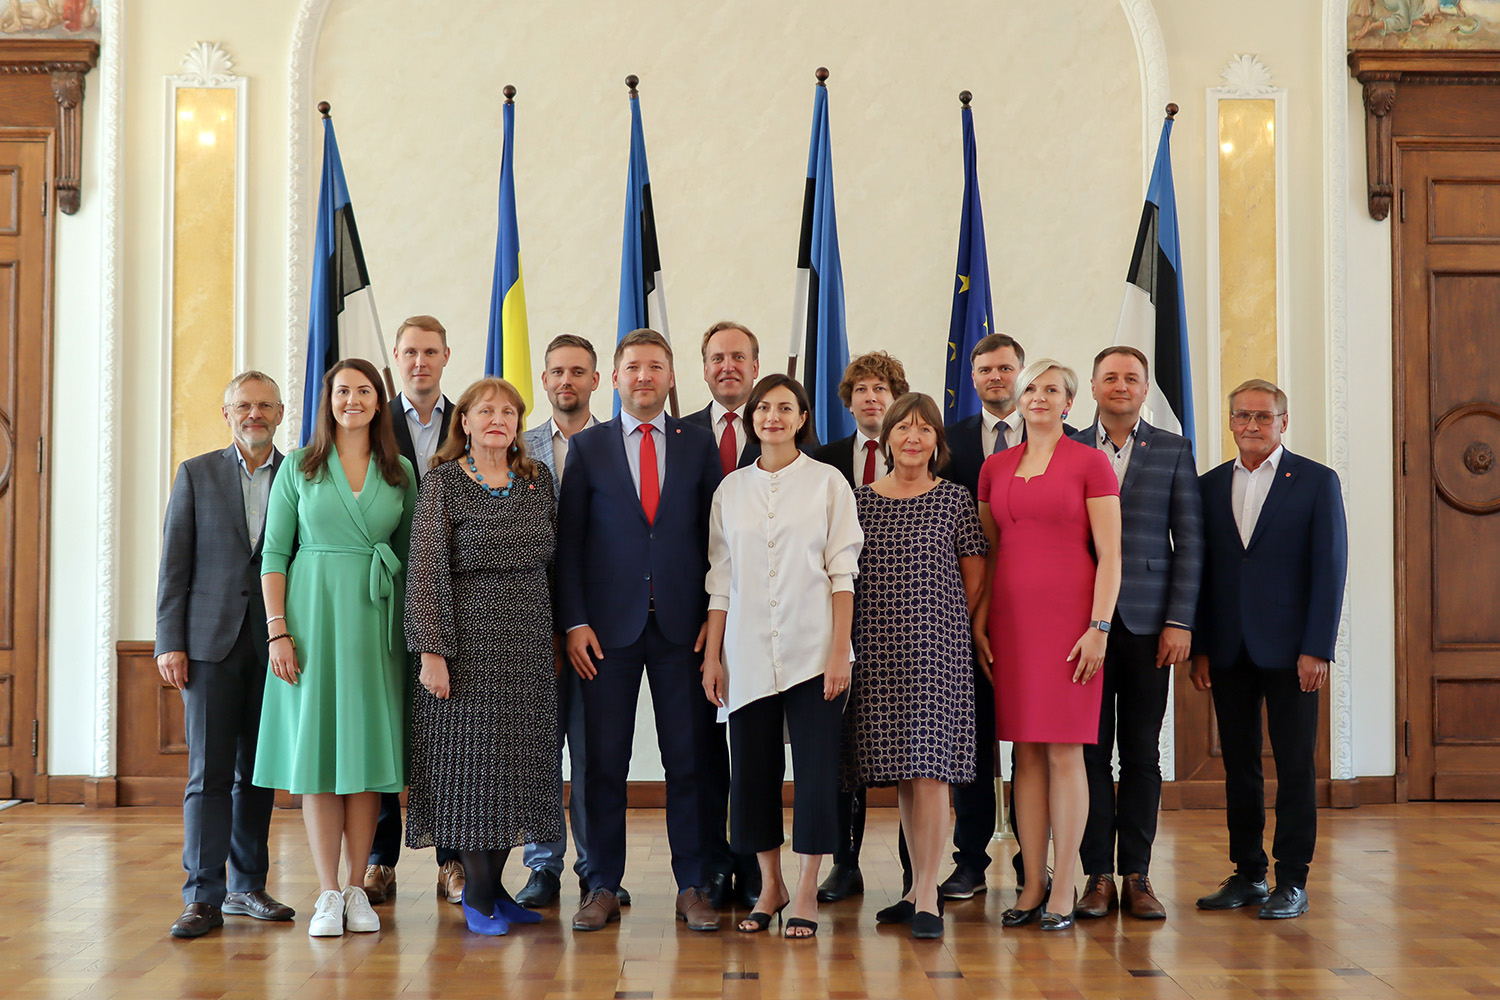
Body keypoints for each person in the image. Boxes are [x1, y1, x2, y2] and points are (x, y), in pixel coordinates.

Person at [556, 328, 725, 933]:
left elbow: (717, 542)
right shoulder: (591, 447)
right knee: (602, 763)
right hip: (604, 633)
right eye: (633, 367)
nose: (644, 377)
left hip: (685, 628)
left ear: (671, 376)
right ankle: (600, 882)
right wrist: (574, 621)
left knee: (690, 762)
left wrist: (715, 618)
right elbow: (570, 543)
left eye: (655, 366)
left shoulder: (698, 444)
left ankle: (694, 884)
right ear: (617, 378)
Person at [253, 358, 417, 938]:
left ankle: (356, 889)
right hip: (311, 619)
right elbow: (274, 555)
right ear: (327, 400)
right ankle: (325, 892)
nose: (352, 399)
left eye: (364, 390)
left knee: (366, 761)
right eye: (342, 390)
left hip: (376, 622)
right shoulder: (299, 466)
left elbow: (414, 561)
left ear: (380, 401)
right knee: (320, 759)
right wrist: (278, 630)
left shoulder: (398, 470)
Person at [701, 374, 863, 940]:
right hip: (746, 652)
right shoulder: (732, 489)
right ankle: (769, 886)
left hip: (815, 651)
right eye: (763, 407)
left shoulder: (828, 483)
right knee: (752, 772)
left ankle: (807, 891)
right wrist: (713, 657)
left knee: (817, 775)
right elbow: (720, 580)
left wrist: (840, 650)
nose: (772, 416)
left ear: (802, 418)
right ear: (752, 417)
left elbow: (844, 574)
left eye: (785, 408)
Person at [404, 377, 560, 936]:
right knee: (472, 772)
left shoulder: (537, 480)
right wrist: (431, 652)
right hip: (465, 646)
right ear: (463, 422)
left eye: (508, 411)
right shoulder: (442, 483)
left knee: (515, 771)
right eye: (484, 411)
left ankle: (496, 892)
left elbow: (555, 562)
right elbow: (425, 572)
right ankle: (477, 899)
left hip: (528, 645)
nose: (498, 418)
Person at [1191, 379, 1347, 921]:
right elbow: (1203, 573)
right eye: (1242, 416)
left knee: (1296, 766)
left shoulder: (1316, 481)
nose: (1252, 425)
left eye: (1263, 416)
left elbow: (1329, 570)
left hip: (1293, 652)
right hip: (1229, 649)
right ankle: (1248, 873)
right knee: (1239, 766)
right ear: (1230, 422)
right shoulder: (1209, 486)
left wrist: (1317, 647)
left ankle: (1293, 880)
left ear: (1284, 422)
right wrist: (1202, 646)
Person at [974, 359, 1121, 932]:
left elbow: (1111, 554)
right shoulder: (994, 467)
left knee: (1064, 751)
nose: (1038, 396)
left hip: (1071, 626)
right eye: (1030, 387)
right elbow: (986, 555)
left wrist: (1099, 627)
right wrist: (980, 623)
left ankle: (1066, 883)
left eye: (1051, 390)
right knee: (1024, 754)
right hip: (1011, 625)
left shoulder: (1091, 463)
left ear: (1069, 403)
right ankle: (1031, 881)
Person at [156, 372, 295, 939]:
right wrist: (170, 640)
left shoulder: (299, 474)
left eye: (265, 405)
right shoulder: (196, 473)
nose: (254, 414)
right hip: (209, 645)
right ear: (226, 413)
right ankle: (201, 896)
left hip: (275, 646)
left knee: (256, 774)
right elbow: (174, 565)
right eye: (244, 405)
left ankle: (248, 887)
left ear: (281, 414)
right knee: (208, 774)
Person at [844, 392, 987, 940]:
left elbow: (974, 578)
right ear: (886, 439)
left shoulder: (953, 499)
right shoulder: (859, 501)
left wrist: (937, 619)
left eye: (924, 429)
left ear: (936, 442)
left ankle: (928, 889)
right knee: (906, 776)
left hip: (935, 650)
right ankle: (913, 890)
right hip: (877, 653)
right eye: (902, 427)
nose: (912, 436)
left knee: (930, 774)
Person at [1071, 346, 1203, 921]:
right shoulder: (1066, 446)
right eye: (1110, 378)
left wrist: (1180, 621)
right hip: (1083, 627)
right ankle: (1096, 875)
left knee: (1142, 754)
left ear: (1146, 388)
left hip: (1151, 626)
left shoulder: (1173, 450)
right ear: (1093, 387)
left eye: (1131, 378)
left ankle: (1138, 876)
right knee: (1090, 754)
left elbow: (1191, 544)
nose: (1121, 386)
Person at [515, 335, 631, 910]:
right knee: (539, 749)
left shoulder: (618, 445)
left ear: (597, 381)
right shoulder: (515, 446)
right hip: (529, 623)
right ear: (543, 380)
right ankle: (541, 866)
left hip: (597, 624)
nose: (567, 381)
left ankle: (596, 869)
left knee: (592, 753)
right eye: (556, 371)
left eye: (578, 372)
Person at [938, 333, 1040, 899]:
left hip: (1035, 614)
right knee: (971, 741)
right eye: (985, 370)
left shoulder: (1057, 440)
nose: (995, 377)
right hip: (962, 612)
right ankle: (970, 859)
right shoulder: (947, 441)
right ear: (971, 377)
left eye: (1005, 368)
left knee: (1031, 739)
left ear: (1021, 374)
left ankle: (1034, 856)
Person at [367, 314, 462, 908]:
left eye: (430, 351)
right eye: (410, 353)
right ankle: (381, 858)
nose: (420, 362)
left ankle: (453, 859)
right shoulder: (369, 422)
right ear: (396, 360)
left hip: (456, 600)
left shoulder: (471, 420)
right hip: (382, 594)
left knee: (448, 731)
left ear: (446, 356)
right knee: (384, 727)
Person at [811, 350, 910, 903]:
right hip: (836, 618)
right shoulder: (822, 459)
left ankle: (911, 872)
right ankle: (844, 864)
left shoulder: (922, 458)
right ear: (847, 400)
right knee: (845, 750)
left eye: (882, 389)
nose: (872, 398)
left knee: (908, 751)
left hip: (906, 620)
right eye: (862, 389)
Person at [678, 320, 767, 910]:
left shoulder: (782, 429)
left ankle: (757, 865)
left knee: (758, 747)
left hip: (767, 617)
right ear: (704, 368)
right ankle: (711, 866)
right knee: (702, 753)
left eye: (739, 357)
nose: (728, 366)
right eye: (717, 358)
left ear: (755, 367)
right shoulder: (680, 435)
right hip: (692, 618)